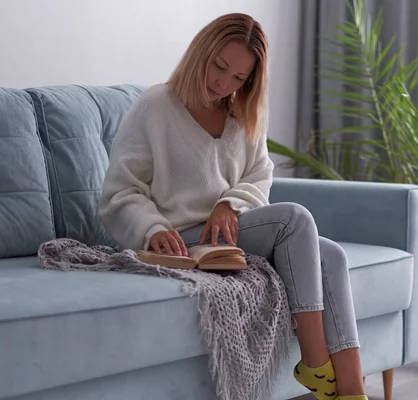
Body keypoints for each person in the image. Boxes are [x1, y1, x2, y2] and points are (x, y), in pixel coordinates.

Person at [98, 12, 368, 400]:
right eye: (219, 67)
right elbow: (121, 191)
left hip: (230, 234)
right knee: (295, 219)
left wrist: (231, 202)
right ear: (201, 53)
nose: (223, 84)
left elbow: (260, 175)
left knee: (332, 256)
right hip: (182, 239)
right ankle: (314, 364)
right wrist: (153, 227)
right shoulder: (156, 106)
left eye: (239, 78)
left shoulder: (243, 114)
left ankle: (352, 391)